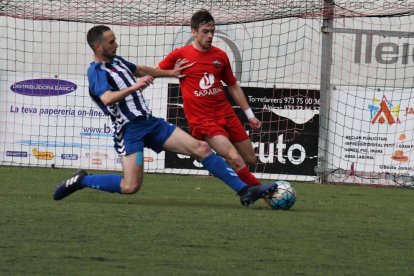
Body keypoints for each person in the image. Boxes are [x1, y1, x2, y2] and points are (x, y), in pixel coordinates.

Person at [53, 25, 278, 207]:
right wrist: (135, 88)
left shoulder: (118, 61)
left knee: (202, 149)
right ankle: (83, 181)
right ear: (97, 46)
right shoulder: (96, 71)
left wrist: (170, 73)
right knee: (130, 186)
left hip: (152, 124)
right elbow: (107, 98)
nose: (116, 44)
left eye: (115, 39)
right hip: (130, 130)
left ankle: (245, 191)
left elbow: (140, 70)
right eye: (111, 42)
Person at [157, 9, 262, 187]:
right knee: (233, 156)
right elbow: (155, 70)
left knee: (249, 159)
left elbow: (233, 85)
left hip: (225, 113)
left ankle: (234, 178)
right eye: (205, 31)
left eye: (212, 31)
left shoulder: (220, 56)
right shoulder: (180, 55)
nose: (210, 35)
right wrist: (170, 73)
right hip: (203, 120)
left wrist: (250, 114)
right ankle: (260, 191)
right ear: (194, 32)